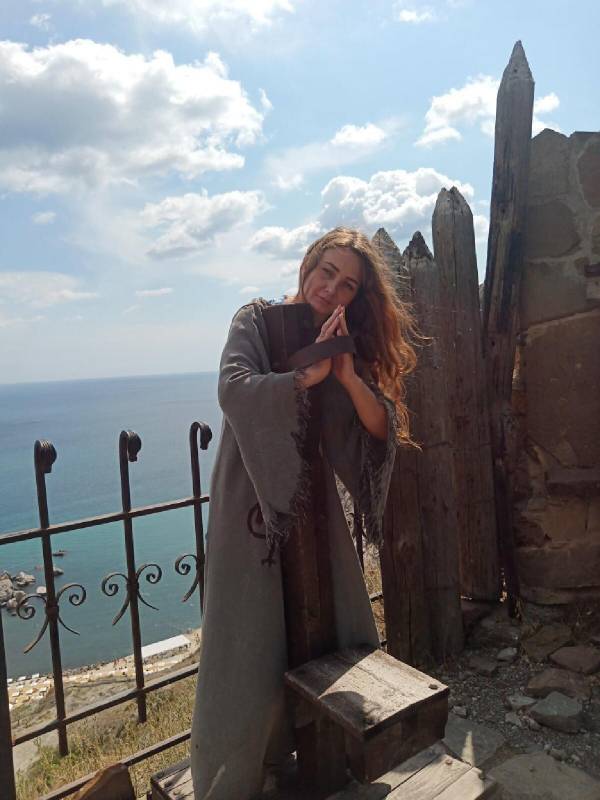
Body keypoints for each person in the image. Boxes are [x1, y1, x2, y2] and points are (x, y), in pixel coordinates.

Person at [190, 227, 417, 799]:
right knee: (248, 635)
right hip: (248, 503)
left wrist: (344, 376)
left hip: (311, 508)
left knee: (330, 622)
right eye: (327, 272)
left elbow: (377, 429)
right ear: (308, 265)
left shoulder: (336, 342)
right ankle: (235, 775)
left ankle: (329, 755)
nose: (331, 289)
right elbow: (234, 388)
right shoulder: (255, 319)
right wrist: (301, 378)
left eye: (347, 285)